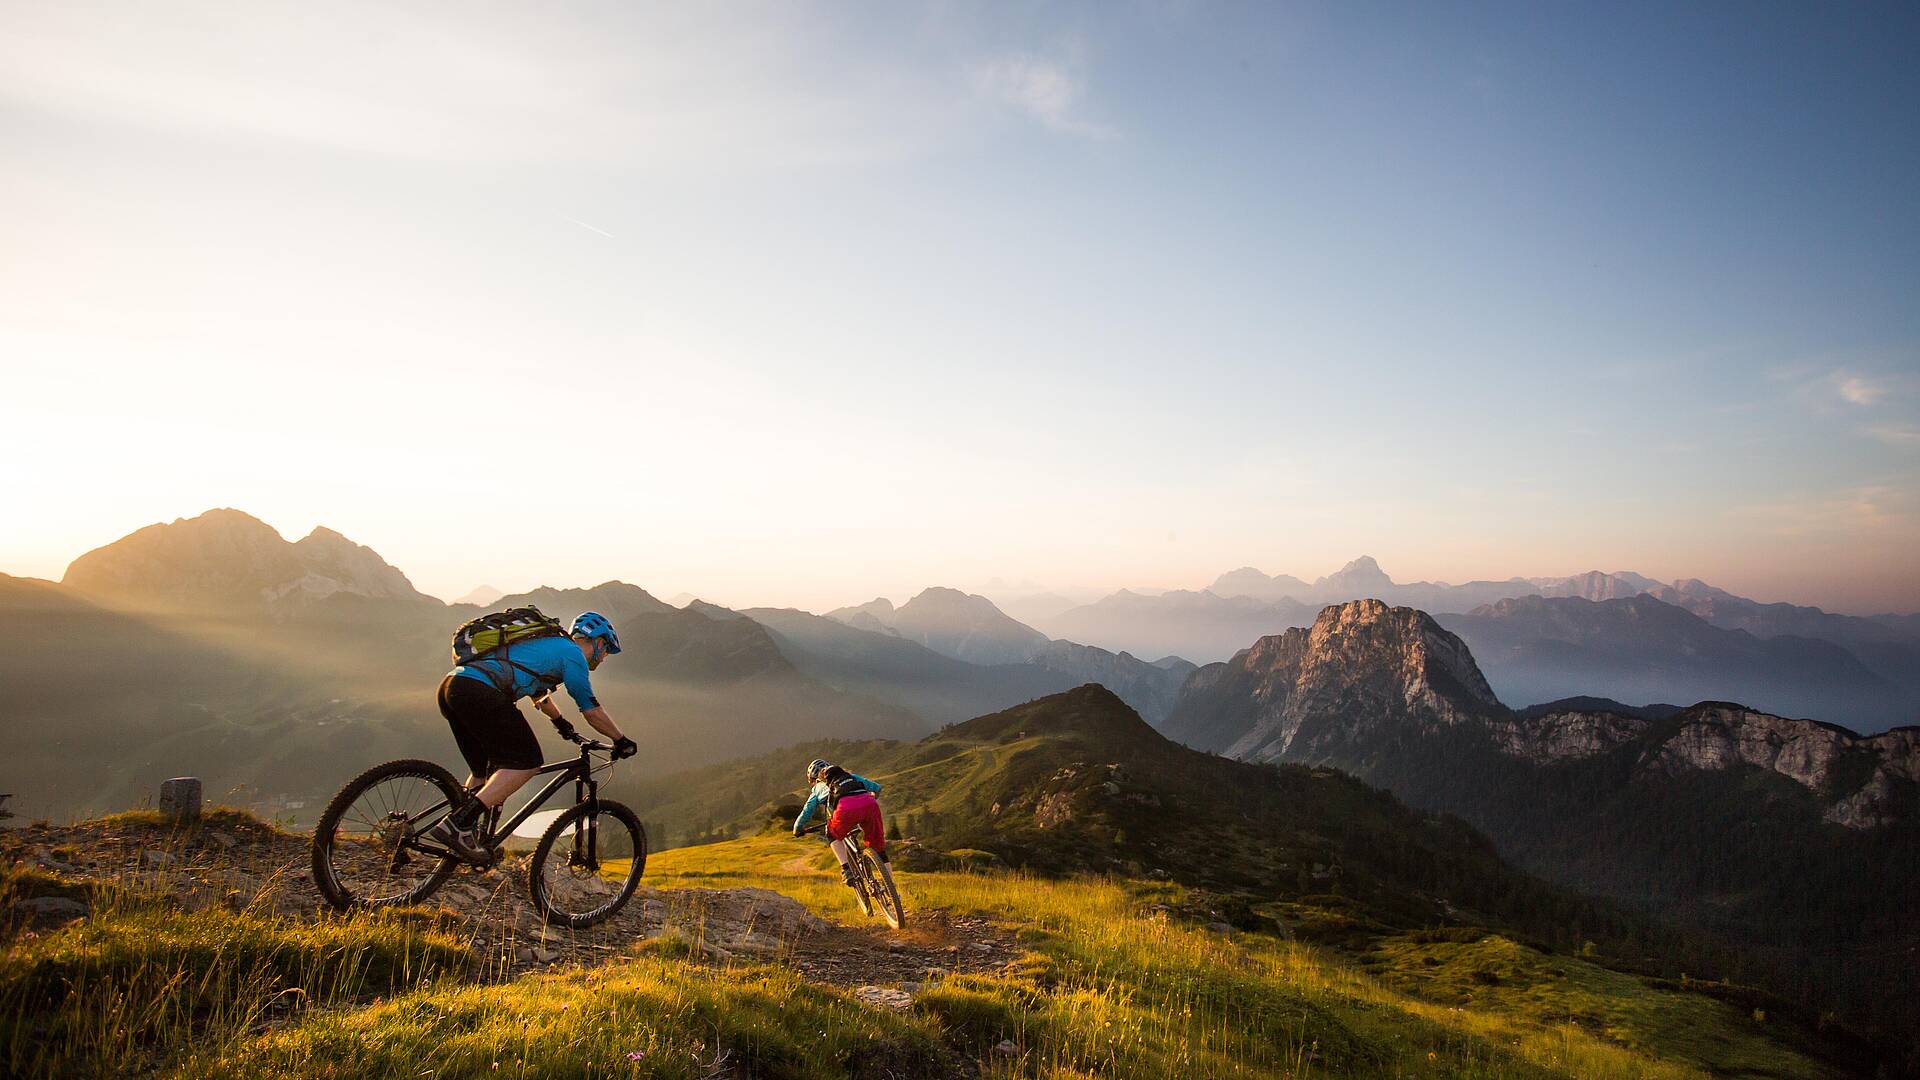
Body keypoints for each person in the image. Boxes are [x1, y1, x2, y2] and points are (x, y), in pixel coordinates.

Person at [429, 611, 636, 861]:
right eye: (606, 651)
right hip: (481, 692)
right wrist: (620, 740)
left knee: (484, 770)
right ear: (598, 641)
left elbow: (539, 695)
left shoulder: (549, 645)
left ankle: (465, 834)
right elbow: (591, 710)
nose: (604, 658)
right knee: (526, 763)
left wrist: (561, 723)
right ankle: (459, 824)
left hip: (453, 687)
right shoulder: (573, 655)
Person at [792, 758, 887, 888]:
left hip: (844, 811)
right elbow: (877, 788)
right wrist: (868, 800)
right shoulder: (848, 776)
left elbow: (807, 811)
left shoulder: (817, 788)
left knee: (831, 834)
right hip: (870, 804)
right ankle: (892, 890)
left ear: (814, 779)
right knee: (880, 850)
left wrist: (798, 828)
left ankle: (846, 868)